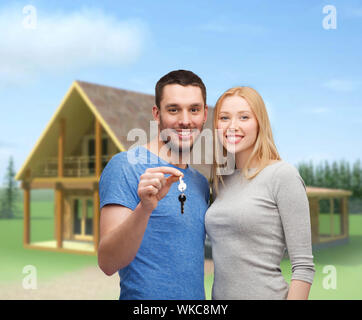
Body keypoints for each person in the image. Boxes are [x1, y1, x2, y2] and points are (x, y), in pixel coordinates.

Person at [98, 70, 210, 300]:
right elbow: (108, 263)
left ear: (205, 114)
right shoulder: (125, 166)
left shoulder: (200, 183)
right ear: (157, 114)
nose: (185, 120)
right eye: (173, 109)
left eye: (194, 109)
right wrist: (145, 208)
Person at [205, 86, 315, 300]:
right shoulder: (221, 182)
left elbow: (303, 266)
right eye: (224, 117)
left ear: (259, 123)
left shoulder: (282, 175)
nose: (232, 126)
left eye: (244, 117)